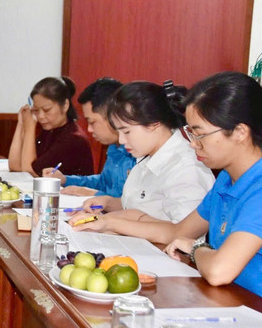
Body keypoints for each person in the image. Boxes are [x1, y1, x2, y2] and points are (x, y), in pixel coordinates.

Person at [157, 72, 262, 311]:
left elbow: (218, 271)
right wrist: (112, 222)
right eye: (190, 133)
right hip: (231, 301)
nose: (193, 143)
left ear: (240, 132)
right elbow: (179, 231)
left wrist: (196, 249)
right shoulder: (228, 176)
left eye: (199, 133)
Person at [69, 80, 214, 235]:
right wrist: (109, 202)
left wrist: (112, 223)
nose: (121, 140)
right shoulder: (146, 156)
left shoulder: (186, 168)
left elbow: (185, 236)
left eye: (127, 132)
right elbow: (144, 206)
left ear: (153, 124)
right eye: (118, 132)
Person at [42, 77, 136, 197]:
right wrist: (65, 180)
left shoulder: (136, 152)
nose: (89, 129)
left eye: (92, 122)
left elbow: (131, 203)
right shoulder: (114, 147)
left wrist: (95, 194)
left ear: (113, 117)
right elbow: (103, 182)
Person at [8, 76, 93, 177]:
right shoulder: (50, 130)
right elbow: (15, 166)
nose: (41, 116)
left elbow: (30, 171)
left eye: (47, 110)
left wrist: (30, 127)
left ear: (65, 105)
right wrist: (21, 124)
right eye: (36, 110)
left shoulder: (73, 138)